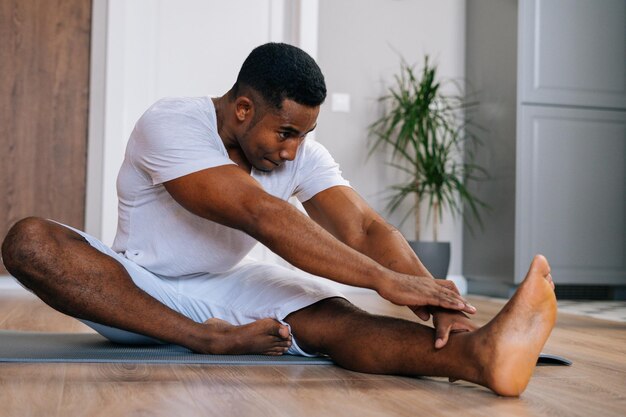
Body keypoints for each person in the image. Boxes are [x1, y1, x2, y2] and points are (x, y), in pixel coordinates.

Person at [1, 43, 557, 396]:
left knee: (334, 318)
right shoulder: (171, 123)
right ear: (243, 109)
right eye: (285, 132)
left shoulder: (296, 153)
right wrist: (383, 280)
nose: (293, 152)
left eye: (305, 136)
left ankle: (480, 356)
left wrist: (431, 296)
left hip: (227, 286)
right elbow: (257, 212)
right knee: (30, 240)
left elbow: (364, 229)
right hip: (139, 288)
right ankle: (204, 338)